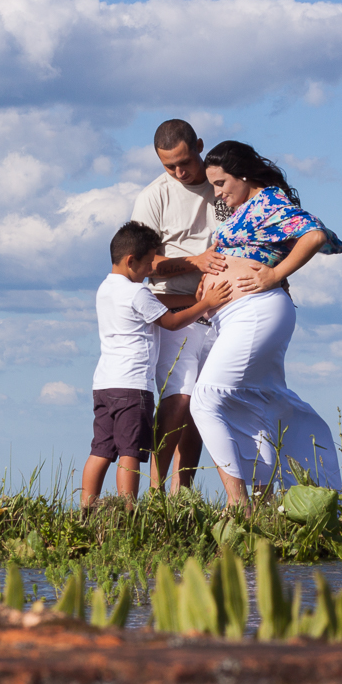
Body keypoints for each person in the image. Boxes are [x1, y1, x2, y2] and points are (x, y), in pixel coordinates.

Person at [189, 141, 342, 511]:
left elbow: (315, 235)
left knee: (206, 398)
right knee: (252, 405)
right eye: (213, 185)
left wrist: (275, 273)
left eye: (222, 182)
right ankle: (264, 503)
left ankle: (238, 504)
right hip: (236, 316)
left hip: (257, 310)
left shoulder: (269, 202)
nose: (218, 192)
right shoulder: (244, 207)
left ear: (243, 175)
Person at [81, 221, 232, 509]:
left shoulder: (105, 289)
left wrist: (191, 298)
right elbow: (172, 322)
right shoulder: (136, 293)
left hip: (104, 384)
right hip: (132, 385)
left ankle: (86, 507)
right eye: (149, 262)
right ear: (131, 261)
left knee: (101, 448)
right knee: (130, 450)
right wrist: (206, 303)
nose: (152, 269)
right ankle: (128, 510)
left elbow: (156, 302)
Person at [130, 119, 230, 494]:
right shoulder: (153, 196)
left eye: (185, 162)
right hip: (174, 309)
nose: (179, 172)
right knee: (180, 398)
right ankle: (155, 493)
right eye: (169, 166)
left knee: (204, 402)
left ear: (200, 146)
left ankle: (182, 492)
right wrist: (195, 262)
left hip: (220, 310)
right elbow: (141, 264)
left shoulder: (224, 184)